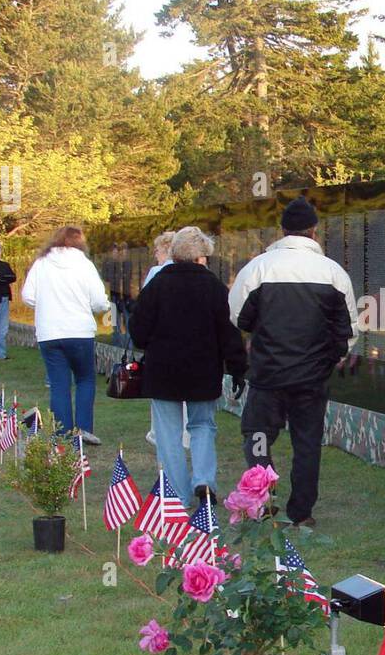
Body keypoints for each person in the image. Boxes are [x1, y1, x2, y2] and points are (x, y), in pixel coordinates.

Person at [228, 197, 358, 527]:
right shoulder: (333, 272)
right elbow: (348, 329)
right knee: (307, 443)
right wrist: (331, 359)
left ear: (282, 230)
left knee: (258, 436)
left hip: (268, 374)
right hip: (311, 378)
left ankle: (263, 498)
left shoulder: (259, 268)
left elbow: (238, 316)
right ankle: (302, 513)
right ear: (314, 231)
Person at [130, 226, 247, 509]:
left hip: (163, 369)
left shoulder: (157, 285)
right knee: (203, 425)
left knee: (168, 433)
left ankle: (177, 494)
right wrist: (237, 367)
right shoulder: (214, 287)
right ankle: (204, 479)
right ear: (201, 257)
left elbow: (138, 330)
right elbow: (228, 332)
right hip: (202, 368)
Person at [20, 226, 110, 444]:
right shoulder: (84, 264)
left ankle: (62, 432)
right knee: (85, 379)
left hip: (49, 332)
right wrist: (102, 306)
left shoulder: (41, 264)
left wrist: (46, 304)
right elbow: (98, 301)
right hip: (79, 330)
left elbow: (28, 296)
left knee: (59, 383)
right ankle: (84, 429)